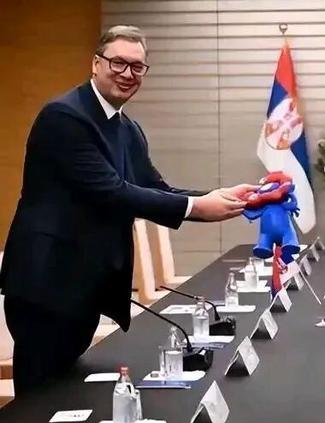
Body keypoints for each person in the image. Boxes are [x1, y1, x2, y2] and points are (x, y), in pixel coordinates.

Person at [0, 25, 257, 396]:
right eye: (118, 63)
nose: (127, 74)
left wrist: (219, 197)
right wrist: (197, 207)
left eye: (137, 67)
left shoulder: (127, 127)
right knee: (40, 400)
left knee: (68, 393)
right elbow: (111, 192)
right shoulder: (64, 117)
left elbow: (155, 189)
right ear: (96, 64)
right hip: (48, 284)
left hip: (85, 284)